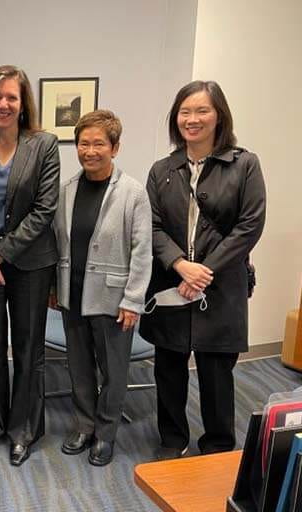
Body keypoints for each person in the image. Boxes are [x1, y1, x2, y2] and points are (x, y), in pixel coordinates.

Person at [140, 81, 266, 460]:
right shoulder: (162, 170)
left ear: (219, 116)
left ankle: (218, 445)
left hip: (220, 286)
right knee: (169, 368)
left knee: (216, 373)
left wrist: (204, 271)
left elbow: (250, 225)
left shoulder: (244, 165)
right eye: (185, 112)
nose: (192, 119)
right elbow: (151, 225)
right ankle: (172, 439)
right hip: (171, 282)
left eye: (202, 111)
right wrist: (181, 265)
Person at [0, 65, 60, 465]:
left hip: (30, 264)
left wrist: (0, 253)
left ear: (23, 104)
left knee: (27, 347)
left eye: (11, 97)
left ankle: (23, 430)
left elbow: (44, 210)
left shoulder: (44, 144)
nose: (2, 104)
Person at [52, 110, 152, 466]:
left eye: (98, 144)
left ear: (115, 147)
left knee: (114, 372)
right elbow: (58, 242)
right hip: (73, 296)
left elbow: (142, 251)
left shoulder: (132, 193)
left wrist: (133, 300)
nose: (90, 151)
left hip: (114, 300)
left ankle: (105, 433)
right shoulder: (67, 190)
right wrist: (55, 288)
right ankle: (84, 425)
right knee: (79, 368)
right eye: (83, 143)